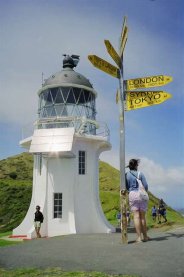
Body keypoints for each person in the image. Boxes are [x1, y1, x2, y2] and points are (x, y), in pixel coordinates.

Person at [126, 159, 150, 243]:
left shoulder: (127, 175)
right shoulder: (140, 174)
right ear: (136, 165)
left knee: (136, 216)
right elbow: (146, 185)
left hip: (132, 194)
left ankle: (139, 237)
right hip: (141, 195)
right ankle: (146, 236)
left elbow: (126, 187)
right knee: (142, 217)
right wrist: (144, 191)